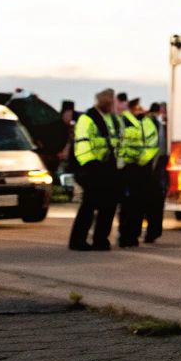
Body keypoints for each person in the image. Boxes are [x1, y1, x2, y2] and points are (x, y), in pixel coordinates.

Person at [68, 89, 124, 251]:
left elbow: (115, 142)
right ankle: (78, 241)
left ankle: (101, 239)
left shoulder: (110, 118)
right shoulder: (87, 119)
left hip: (109, 168)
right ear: (105, 102)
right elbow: (83, 145)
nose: (113, 104)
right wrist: (90, 166)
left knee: (108, 206)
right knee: (89, 205)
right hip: (92, 168)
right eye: (111, 101)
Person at [115, 95, 155, 248]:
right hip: (129, 171)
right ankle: (126, 236)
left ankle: (131, 235)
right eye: (136, 108)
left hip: (139, 172)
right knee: (128, 207)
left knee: (136, 207)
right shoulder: (125, 125)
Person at [141, 102, 168, 243]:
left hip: (152, 168)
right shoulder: (158, 125)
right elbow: (160, 148)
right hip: (156, 168)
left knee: (151, 202)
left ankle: (151, 231)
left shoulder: (149, 123)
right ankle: (153, 232)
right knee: (155, 202)